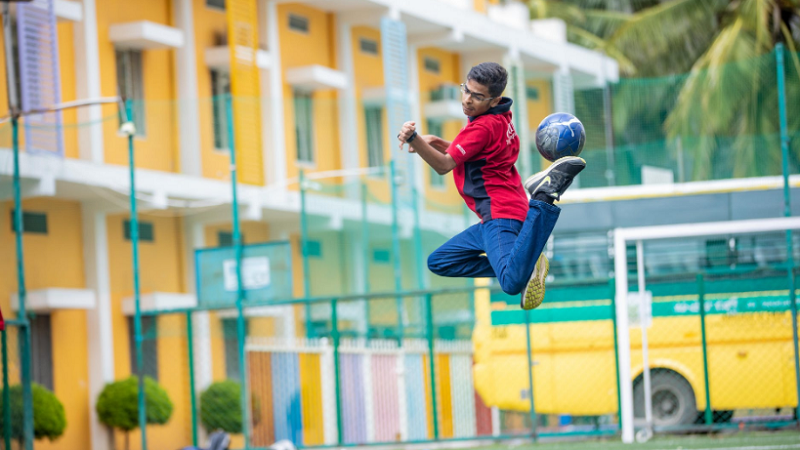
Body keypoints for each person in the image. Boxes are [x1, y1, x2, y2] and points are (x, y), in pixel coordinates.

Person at [396, 62, 585, 310]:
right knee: (440, 261)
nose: (467, 100)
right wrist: (439, 142)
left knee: (510, 283)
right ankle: (524, 262)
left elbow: (443, 166)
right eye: (466, 90)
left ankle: (544, 197)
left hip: (500, 215)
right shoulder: (501, 117)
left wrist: (414, 139)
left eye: (477, 96)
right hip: (495, 217)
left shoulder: (482, 126)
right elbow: (476, 150)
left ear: (494, 100)